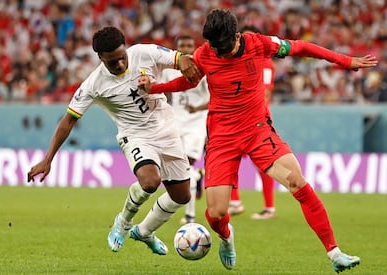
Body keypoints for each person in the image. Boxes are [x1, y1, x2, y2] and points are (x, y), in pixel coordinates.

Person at [138, 9, 377, 272]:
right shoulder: (205, 53)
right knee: (216, 214)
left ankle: (335, 253)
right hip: (222, 139)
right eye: (214, 47)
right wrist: (155, 88)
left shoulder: (259, 44)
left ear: (236, 36)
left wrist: (344, 61)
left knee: (298, 183)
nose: (218, 52)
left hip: (257, 130)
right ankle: (226, 237)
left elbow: (301, 47)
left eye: (222, 47)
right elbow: (188, 82)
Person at [27, 26, 202, 256]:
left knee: (182, 196)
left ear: (126, 47)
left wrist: (186, 62)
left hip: (168, 130)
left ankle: (145, 232)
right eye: (112, 62)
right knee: (150, 182)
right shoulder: (93, 84)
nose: (120, 64)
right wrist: (47, 159)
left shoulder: (145, 53)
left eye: (122, 57)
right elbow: (68, 121)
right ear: (100, 58)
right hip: (136, 135)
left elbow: (179, 59)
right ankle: (124, 221)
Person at [228, 25, 277, 220]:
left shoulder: (265, 63)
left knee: (262, 163)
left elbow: (265, 92)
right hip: (238, 118)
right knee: (230, 159)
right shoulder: (239, 60)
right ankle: (235, 202)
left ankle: (269, 207)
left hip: (255, 119)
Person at [161, 35, 210, 224]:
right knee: (176, 168)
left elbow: (215, 97)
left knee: (186, 165)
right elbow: (164, 93)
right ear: (176, 48)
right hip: (175, 122)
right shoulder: (169, 71)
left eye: (190, 44)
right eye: (182, 45)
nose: (187, 48)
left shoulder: (203, 69)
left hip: (196, 123)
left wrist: (197, 108)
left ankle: (190, 215)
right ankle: (196, 179)